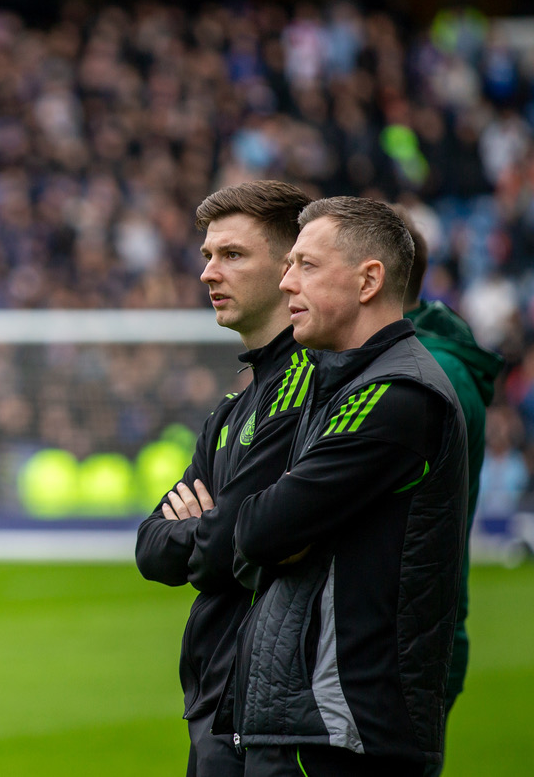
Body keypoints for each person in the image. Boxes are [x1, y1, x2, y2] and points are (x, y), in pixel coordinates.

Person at [225, 197, 468, 776]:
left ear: (369, 280)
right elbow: (262, 528)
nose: (286, 284)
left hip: (350, 730)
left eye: (306, 266)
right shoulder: (333, 381)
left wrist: (266, 523)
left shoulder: (397, 395)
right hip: (311, 719)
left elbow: (257, 528)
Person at [135, 180, 312, 777]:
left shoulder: (304, 389)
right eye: (207, 255)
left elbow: (224, 547)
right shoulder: (234, 408)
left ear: (290, 267)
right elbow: (149, 546)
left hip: (264, 704)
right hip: (217, 699)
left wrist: (202, 528)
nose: (209, 272)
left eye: (232, 255)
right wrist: (205, 532)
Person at [399, 213, 502, 775]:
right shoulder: (428, 365)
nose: (294, 280)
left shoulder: (427, 378)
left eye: (312, 265)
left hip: (406, 640)